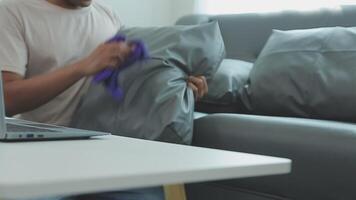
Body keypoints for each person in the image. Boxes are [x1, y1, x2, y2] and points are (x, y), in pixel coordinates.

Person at [0, 0, 208, 199]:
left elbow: (131, 81)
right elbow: (7, 99)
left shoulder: (107, 16)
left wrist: (179, 85)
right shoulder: (13, 13)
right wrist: (83, 66)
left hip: (107, 152)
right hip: (40, 156)